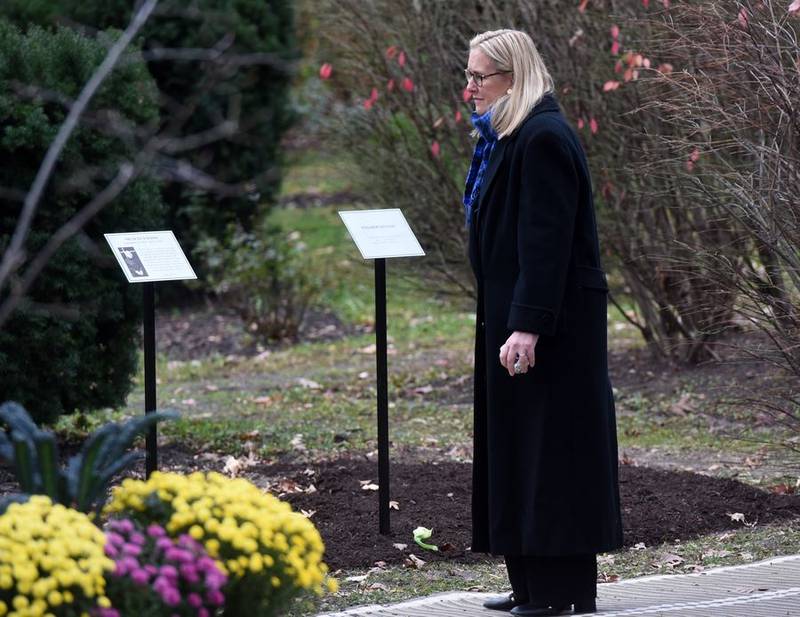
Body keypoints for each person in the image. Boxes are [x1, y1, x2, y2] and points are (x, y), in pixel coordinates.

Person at [463, 29, 623, 616]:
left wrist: (527, 325)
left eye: (481, 77)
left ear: (514, 76)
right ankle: (530, 584)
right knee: (516, 450)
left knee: (551, 453)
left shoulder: (543, 137)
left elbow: (547, 243)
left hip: (551, 328)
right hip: (514, 318)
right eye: (470, 75)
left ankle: (561, 593)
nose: (470, 88)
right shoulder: (511, 135)